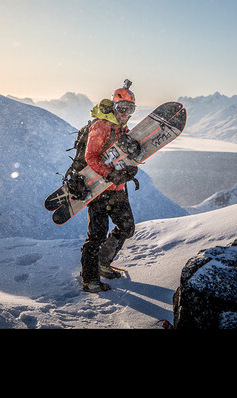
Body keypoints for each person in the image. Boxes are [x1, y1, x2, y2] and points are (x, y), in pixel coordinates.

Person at [80, 82, 138, 293]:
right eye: (122, 108)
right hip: (98, 190)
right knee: (96, 234)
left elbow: (126, 156)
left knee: (127, 227)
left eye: (130, 109)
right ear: (114, 106)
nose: (125, 113)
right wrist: (109, 173)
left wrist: (130, 171)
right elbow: (90, 157)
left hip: (117, 189)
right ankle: (90, 279)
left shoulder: (123, 129)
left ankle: (103, 263)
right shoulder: (101, 126)